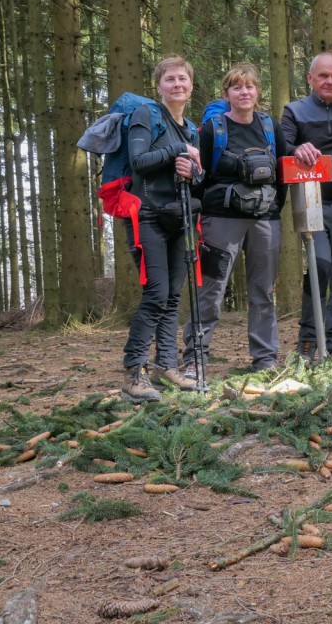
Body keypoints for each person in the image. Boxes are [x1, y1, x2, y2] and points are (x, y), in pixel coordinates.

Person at [182, 64, 288, 374]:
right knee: (211, 290)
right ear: (226, 94)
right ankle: (195, 358)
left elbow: (281, 177)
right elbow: (199, 178)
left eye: (249, 87)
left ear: (258, 92)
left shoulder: (272, 127)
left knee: (263, 291)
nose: (244, 92)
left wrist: (272, 212)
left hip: (266, 220)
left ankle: (266, 359)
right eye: (237, 87)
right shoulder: (213, 129)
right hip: (221, 221)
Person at [120, 56, 203, 403]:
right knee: (156, 294)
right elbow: (139, 162)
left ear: (191, 85)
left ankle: (167, 365)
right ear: (159, 86)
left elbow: (197, 179)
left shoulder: (192, 128)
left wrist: (192, 171)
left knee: (172, 297)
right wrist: (178, 150)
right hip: (148, 216)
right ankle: (133, 371)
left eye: (182, 79)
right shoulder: (147, 116)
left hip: (179, 219)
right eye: (170, 79)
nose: (177, 84)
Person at [281, 53, 332, 361]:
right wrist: (295, 147)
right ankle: (308, 336)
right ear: (310, 78)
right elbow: (282, 145)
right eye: (323, 76)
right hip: (310, 203)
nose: (329, 81)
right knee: (321, 264)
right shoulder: (295, 111)